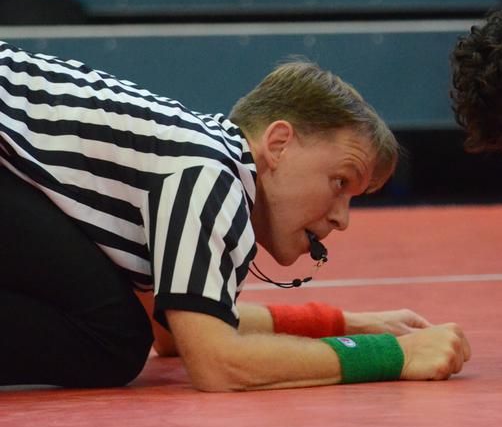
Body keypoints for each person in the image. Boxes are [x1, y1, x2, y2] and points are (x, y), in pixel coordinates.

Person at [1, 42, 470, 390]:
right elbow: (216, 361)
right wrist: (391, 354)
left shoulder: (204, 159)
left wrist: (350, 323)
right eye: (340, 183)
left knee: (118, 332)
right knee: (113, 339)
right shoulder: (207, 173)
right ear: (279, 144)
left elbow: (174, 330)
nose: (342, 219)